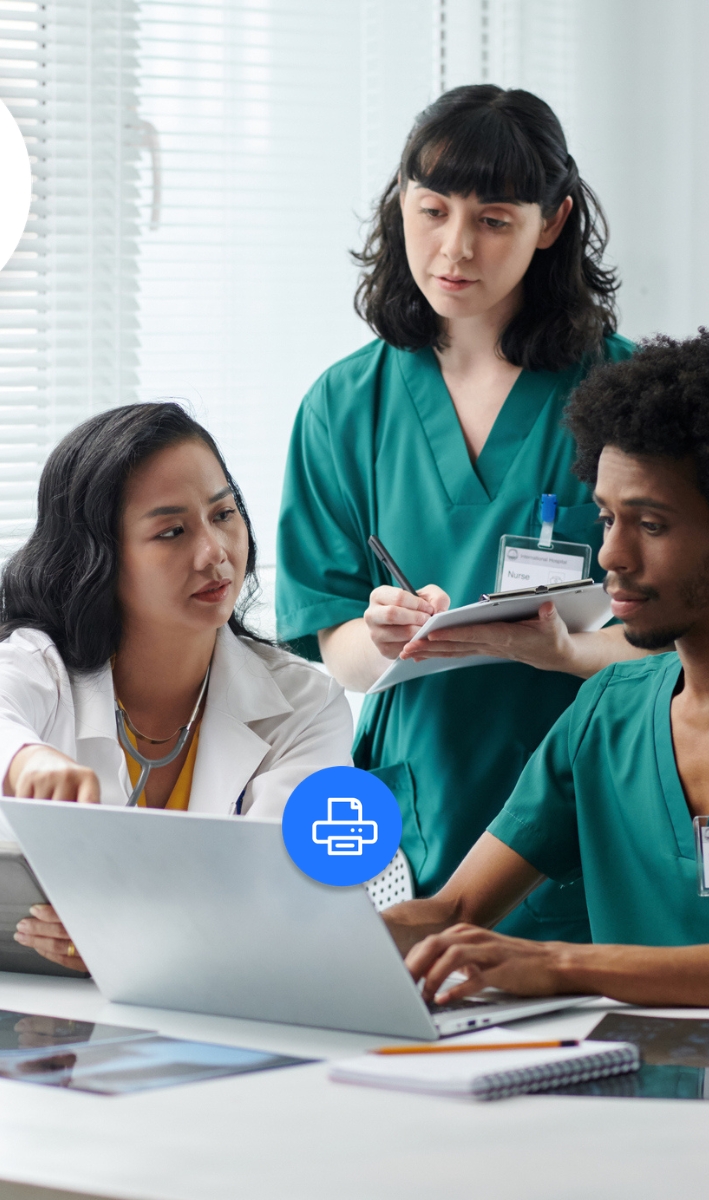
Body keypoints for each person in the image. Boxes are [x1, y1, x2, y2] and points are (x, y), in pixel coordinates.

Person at [384, 330, 709, 1020]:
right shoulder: (606, 712)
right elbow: (452, 910)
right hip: (636, 1085)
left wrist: (560, 966)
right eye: (607, 518)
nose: (611, 554)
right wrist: (297, 942)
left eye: (651, 525)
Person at [276, 85, 648, 946]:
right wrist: (385, 632)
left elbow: (688, 642)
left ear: (551, 223)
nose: (454, 248)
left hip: (585, 798)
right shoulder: (345, 406)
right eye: (432, 210)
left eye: (493, 220)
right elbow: (339, 651)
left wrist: (565, 652)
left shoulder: (626, 396)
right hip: (412, 809)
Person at [0, 403, 353, 971]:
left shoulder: (304, 705)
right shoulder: (35, 665)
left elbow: (286, 886)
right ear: (98, 558)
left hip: (222, 1000)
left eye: (224, 513)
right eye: (172, 531)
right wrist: (26, 765)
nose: (215, 552)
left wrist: (132, 934)